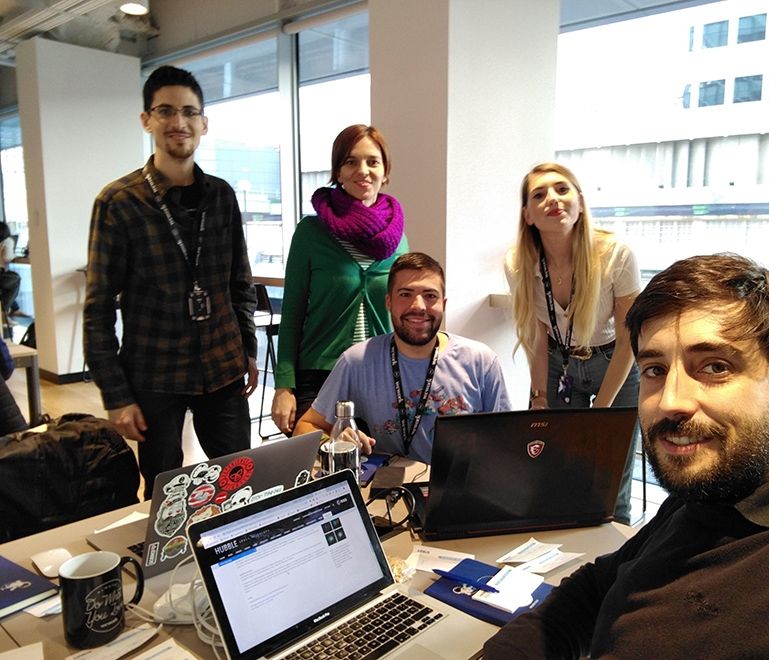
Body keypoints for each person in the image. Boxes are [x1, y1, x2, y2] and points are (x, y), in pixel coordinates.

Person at [484, 253, 769, 659]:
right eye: (655, 370)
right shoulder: (706, 496)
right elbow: (594, 591)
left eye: (714, 367)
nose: (670, 402)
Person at [83, 65, 258, 498]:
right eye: (165, 111)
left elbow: (240, 282)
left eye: (188, 112)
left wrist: (248, 350)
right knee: (165, 488)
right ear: (147, 120)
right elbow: (98, 308)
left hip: (222, 367)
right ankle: (169, 565)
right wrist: (116, 394)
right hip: (154, 373)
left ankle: (237, 561)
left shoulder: (222, 195)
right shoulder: (119, 202)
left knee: (239, 480)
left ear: (203, 123)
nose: (178, 122)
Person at [505, 162, 641, 523]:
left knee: (612, 476)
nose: (552, 198)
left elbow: (630, 339)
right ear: (528, 215)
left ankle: (617, 561)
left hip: (614, 360)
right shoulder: (519, 263)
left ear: (580, 203)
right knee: (563, 468)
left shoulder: (616, 254)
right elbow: (537, 334)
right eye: (539, 194)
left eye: (562, 189)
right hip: (559, 362)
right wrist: (538, 397)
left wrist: (601, 413)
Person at [293, 252, 510, 463]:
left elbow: (506, 440)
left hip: (462, 487)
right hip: (393, 488)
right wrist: (334, 442)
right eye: (405, 294)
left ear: (443, 304)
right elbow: (305, 427)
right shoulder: (358, 361)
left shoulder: (481, 361)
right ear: (388, 302)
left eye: (430, 295)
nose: (418, 306)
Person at [271, 124, 408, 435]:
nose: (363, 170)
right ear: (338, 171)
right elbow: (292, 311)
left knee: (378, 467)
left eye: (373, 161)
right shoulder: (311, 232)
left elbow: (403, 310)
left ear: (385, 171)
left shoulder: (398, 238)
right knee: (320, 468)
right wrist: (284, 386)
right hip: (320, 374)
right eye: (351, 162)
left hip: (380, 374)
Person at [0, 222, 21, 320]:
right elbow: (7, 257)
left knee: (10, 284)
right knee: (15, 279)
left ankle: (14, 309)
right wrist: (14, 256)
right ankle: (4, 313)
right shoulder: (8, 241)